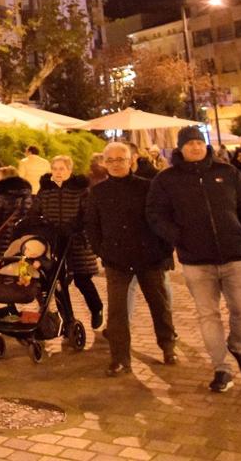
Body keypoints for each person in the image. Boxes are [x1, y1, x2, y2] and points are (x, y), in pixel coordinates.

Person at [147, 126, 241, 393]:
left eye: (199, 142)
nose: (195, 147)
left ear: (205, 145)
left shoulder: (227, 172)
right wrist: (178, 236)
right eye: (189, 144)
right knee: (208, 315)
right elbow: (155, 214)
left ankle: (238, 347)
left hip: (233, 256)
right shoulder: (167, 179)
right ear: (180, 148)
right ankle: (222, 369)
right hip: (196, 261)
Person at [84, 142, 176, 376]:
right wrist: (101, 251)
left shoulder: (147, 187)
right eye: (111, 160)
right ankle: (120, 357)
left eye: (120, 159)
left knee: (159, 304)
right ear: (105, 163)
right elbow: (92, 226)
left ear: (131, 160)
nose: (116, 164)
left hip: (149, 256)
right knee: (117, 312)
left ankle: (167, 346)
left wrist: (164, 251)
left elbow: (160, 219)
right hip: (117, 259)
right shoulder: (98, 191)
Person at [32, 155, 104, 330]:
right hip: (54, 242)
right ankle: (68, 319)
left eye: (61, 169)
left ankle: (97, 309)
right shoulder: (46, 190)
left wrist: (73, 227)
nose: (57, 172)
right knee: (58, 282)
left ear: (69, 171)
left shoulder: (80, 190)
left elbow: (87, 214)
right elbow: (35, 211)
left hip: (76, 241)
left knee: (82, 279)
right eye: (55, 169)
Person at [0, 168, 34, 262]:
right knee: (20, 262)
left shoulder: (0, 193)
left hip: (4, 234)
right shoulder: (26, 193)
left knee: (5, 263)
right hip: (22, 234)